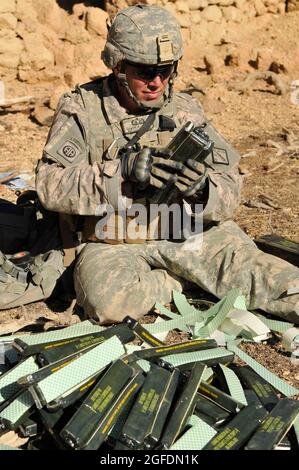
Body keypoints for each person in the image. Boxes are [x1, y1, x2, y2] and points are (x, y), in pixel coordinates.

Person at [35, 4, 299, 325]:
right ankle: (181, 282)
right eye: (145, 72)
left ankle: (198, 274)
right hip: (113, 240)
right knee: (111, 305)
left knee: (278, 284)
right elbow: (50, 185)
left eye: (167, 70)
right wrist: (120, 173)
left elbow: (231, 186)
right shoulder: (82, 111)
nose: (157, 82)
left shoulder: (186, 110)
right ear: (118, 65)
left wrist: (203, 190)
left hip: (187, 231)